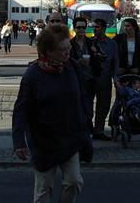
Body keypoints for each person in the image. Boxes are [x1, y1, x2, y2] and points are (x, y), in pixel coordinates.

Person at [13, 23, 91, 203]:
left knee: (74, 181)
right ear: (48, 51)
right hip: (44, 141)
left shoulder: (72, 67)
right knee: (43, 188)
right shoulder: (33, 74)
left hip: (70, 137)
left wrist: (86, 118)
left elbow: (83, 94)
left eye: (68, 47)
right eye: (63, 49)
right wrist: (18, 141)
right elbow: (21, 108)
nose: (67, 52)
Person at [69, 16, 103, 133]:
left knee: (88, 106)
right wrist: (78, 62)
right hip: (75, 79)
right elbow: (66, 61)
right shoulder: (70, 44)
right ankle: (77, 129)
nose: (81, 30)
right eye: (78, 27)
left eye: (83, 27)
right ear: (74, 28)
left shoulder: (91, 42)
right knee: (76, 105)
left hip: (90, 79)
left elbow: (102, 57)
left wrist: (96, 54)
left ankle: (87, 129)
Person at [90, 18, 118, 141]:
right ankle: (87, 129)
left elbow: (116, 62)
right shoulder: (89, 42)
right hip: (90, 78)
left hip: (105, 78)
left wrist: (115, 77)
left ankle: (99, 130)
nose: (94, 29)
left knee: (103, 106)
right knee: (87, 106)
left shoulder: (112, 44)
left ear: (104, 28)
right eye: (94, 27)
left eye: (97, 27)